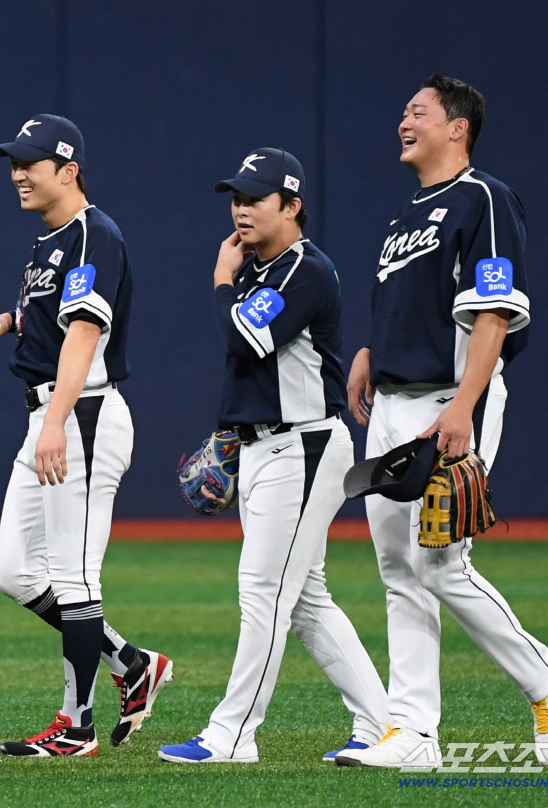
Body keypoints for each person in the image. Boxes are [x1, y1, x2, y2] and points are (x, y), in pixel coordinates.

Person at [336, 75, 548, 768]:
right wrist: (370, 353)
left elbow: (493, 312)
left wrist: (463, 406)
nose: (404, 120)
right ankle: (413, 734)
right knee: (397, 569)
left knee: (440, 562)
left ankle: (543, 676)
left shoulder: (484, 199)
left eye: (418, 111)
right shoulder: (404, 217)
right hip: (392, 402)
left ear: (457, 127)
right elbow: (417, 306)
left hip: (452, 398)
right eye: (404, 110)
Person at [158, 148, 390, 764]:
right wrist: (230, 438)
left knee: (264, 590)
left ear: (291, 207)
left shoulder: (303, 271)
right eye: (235, 197)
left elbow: (244, 339)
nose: (240, 209)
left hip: (305, 449)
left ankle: (233, 734)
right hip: (267, 448)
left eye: (255, 198)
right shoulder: (261, 270)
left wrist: (220, 280)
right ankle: (381, 724)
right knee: (306, 598)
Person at [0, 114, 172, 757]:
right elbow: (54, 318)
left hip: (79, 413)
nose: (17, 173)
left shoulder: (93, 233)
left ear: (69, 169)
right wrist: (9, 319)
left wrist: (56, 421)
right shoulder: (50, 241)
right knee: (14, 572)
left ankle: (76, 725)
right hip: (53, 415)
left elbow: (85, 334)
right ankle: (132, 664)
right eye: (14, 162)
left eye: (30, 163)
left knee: (75, 576)